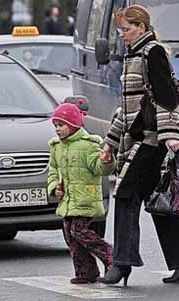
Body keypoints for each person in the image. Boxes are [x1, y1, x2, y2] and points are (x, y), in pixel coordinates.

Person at [99, 5, 179, 286]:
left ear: (141, 27)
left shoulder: (152, 52)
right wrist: (110, 142)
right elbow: (127, 109)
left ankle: (122, 264)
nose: (122, 35)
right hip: (139, 140)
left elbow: (166, 96)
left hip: (151, 141)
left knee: (125, 196)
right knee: (161, 202)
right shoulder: (134, 54)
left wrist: (170, 134)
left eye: (126, 29)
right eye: (120, 30)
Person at [47, 103, 116, 284]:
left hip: (85, 198)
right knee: (70, 236)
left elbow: (100, 168)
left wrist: (107, 160)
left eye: (61, 125)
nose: (57, 130)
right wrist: (55, 187)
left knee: (79, 231)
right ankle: (86, 272)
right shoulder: (56, 147)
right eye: (55, 126)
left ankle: (110, 256)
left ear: (73, 125)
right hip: (68, 201)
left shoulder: (88, 145)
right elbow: (53, 170)